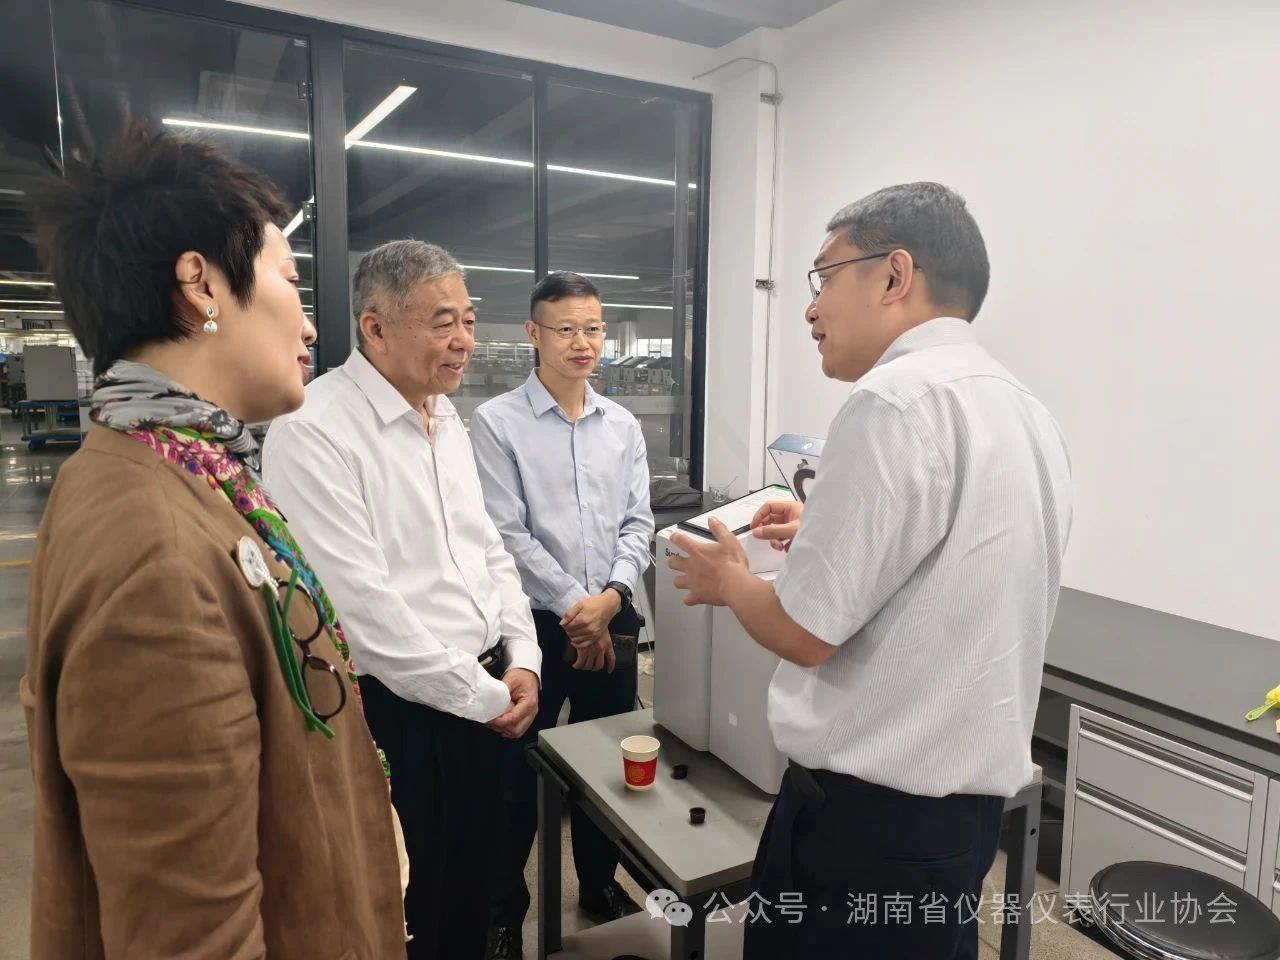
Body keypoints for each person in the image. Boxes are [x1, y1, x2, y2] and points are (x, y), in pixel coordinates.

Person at [21, 126, 407, 959]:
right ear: (201, 284)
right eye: (289, 279)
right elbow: (190, 933)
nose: (310, 326)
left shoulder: (180, 467)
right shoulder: (152, 552)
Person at [669, 182, 1073, 960]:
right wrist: (822, 528)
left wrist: (732, 582)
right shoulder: (1022, 407)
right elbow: (952, 561)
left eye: (824, 277)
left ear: (894, 275)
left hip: (865, 824)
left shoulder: (891, 401)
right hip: (956, 823)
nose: (811, 308)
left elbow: (804, 632)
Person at [261, 240, 541, 960]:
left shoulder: (447, 420)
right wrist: (488, 697)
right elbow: (362, 613)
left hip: (488, 699)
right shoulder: (315, 429)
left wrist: (524, 658)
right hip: (401, 717)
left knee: (477, 890)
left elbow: (488, 550)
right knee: (410, 907)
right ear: (376, 327)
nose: (464, 340)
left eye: (469, 320)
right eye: (443, 321)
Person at [471, 272, 654, 959]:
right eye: (567, 329)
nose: (583, 342)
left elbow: (638, 524)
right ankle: (502, 913)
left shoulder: (623, 426)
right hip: (535, 628)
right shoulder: (497, 423)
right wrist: (580, 608)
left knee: (609, 764)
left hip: (614, 612)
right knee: (518, 773)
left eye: (593, 328)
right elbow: (506, 533)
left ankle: (599, 885)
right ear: (533, 334)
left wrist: (610, 599)